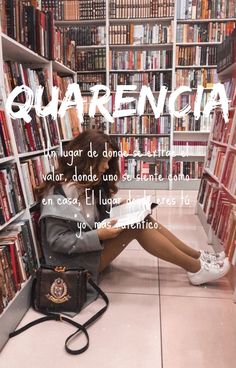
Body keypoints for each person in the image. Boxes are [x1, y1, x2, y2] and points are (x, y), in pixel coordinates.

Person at [39, 130, 230, 304]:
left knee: (143, 218)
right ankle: (196, 269)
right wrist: (98, 235)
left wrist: (116, 207)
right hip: (74, 267)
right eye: (103, 161)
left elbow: (85, 216)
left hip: (87, 253)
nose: (106, 167)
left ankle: (198, 257)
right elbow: (57, 241)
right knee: (137, 226)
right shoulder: (59, 194)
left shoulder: (85, 184)